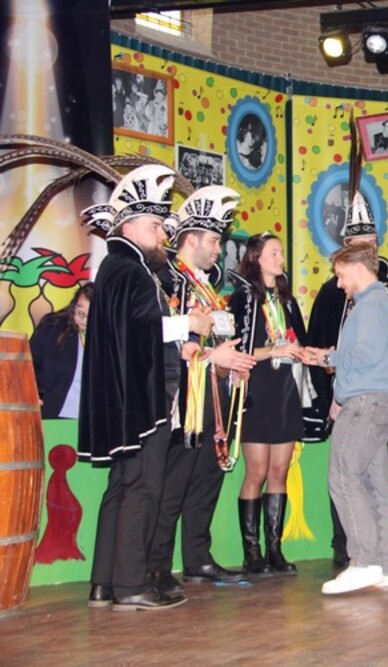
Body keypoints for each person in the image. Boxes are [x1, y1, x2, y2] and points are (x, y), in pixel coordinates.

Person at [79, 164, 211, 611]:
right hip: (141, 401)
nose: (162, 234)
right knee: (142, 488)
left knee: (122, 486)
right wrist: (188, 324)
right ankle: (132, 585)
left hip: (127, 397)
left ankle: (104, 582)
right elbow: (140, 327)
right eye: (155, 225)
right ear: (130, 226)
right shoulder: (130, 269)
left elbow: (132, 331)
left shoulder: (117, 267)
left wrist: (178, 343)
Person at [148, 187, 257, 600]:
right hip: (183, 399)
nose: (218, 249)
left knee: (206, 479)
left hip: (215, 394)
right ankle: (157, 565)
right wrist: (214, 356)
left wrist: (230, 361)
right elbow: (165, 343)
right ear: (191, 239)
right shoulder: (163, 278)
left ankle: (198, 557)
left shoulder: (210, 285)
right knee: (172, 484)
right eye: (213, 240)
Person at [309, 243, 388, 595]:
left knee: (344, 477)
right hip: (379, 402)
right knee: (376, 485)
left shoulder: (370, 306)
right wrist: (330, 362)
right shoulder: (380, 304)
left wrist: (330, 358)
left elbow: (364, 355)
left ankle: (363, 562)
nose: (339, 283)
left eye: (341, 275)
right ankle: (383, 565)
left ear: (359, 269)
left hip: (364, 404)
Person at [228, 232, 309, 577]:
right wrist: (275, 350)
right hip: (256, 390)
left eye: (281, 252)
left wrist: (307, 353)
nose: (280, 258)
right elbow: (238, 350)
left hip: (285, 390)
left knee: (279, 472)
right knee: (257, 472)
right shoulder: (242, 299)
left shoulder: (287, 301)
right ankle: (252, 553)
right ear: (256, 258)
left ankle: (275, 550)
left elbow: (300, 341)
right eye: (273, 252)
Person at [30, 283, 92, 419]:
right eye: (80, 313)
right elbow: (29, 366)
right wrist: (31, 395)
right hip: (54, 414)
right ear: (73, 305)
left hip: (94, 419)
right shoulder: (53, 326)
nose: (84, 321)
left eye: (91, 316)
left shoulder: (111, 336)